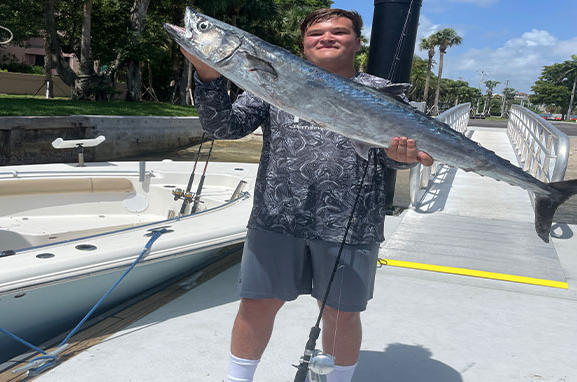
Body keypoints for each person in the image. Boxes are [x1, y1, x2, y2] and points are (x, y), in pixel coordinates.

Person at [180, 8, 433, 382]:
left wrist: (402, 160)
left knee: (341, 313)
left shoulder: (382, 92)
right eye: (316, 34)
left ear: (357, 41)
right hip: (277, 218)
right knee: (256, 305)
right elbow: (224, 127)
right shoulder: (272, 80)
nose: (326, 38)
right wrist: (208, 75)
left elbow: (397, 161)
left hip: (351, 223)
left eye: (339, 32)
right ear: (303, 43)